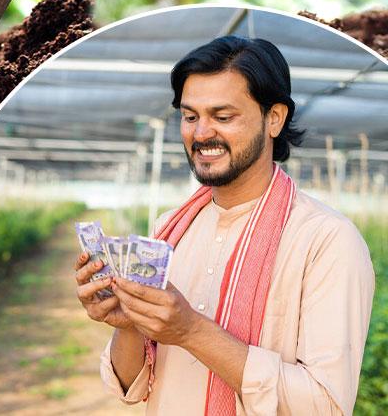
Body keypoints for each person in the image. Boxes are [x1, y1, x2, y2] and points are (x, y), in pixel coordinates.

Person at [73, 35, 375, 415]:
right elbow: (132, 387)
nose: (201, 134)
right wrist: (130, 323)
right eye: (190, 116)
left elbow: (325, 406)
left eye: (223, 116)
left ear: (274, 119)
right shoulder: (171, 229)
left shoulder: (326, 240)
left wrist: (192, 332)